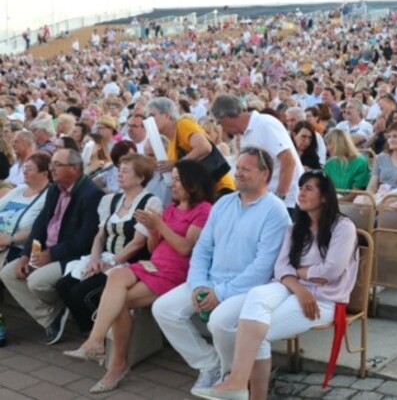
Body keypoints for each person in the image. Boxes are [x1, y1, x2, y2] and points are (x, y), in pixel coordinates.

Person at [193, 170, 358, 400]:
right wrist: (299, 287)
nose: (301, 192)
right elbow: (281, 268)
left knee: (254, 332)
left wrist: (297, 273)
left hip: (324, 298)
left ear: (324, 197)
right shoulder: (295, 228)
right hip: (292, 289)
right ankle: (236, 383)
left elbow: (331, 271)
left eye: (309, 188)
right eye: (300, 187)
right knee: (247, 302)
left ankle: (243, 388)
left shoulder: (342, 227)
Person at [62, 159, 214, 394]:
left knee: (118, 301)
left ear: (191, 182)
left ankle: (112, 360)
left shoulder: (203, 209)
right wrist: (152, 229)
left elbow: (185, 248)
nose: (172, 184)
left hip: (176, 272)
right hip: (154, 264)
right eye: (171, 179)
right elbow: (154, 249)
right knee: (116, 278)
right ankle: (97, 342)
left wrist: (159, 225)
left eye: (176, 179)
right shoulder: (172, 208)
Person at [152, 147, 291, 397]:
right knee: (164, 308)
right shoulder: (224, 203)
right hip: (210, 281)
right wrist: (198, 285)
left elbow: (263, 266)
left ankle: (232, 378)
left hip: (247, 289)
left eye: (245, 169)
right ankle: (211, 365)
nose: (237, 173)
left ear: (264, 174)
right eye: (237, 168)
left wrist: (221, 292)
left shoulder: (274, 210)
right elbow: (203, 249)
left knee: (220, 321)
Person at [0, 148, 104, 345]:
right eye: (52, 164)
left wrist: (51, 254)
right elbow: (40, 225)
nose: (52, 169)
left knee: (37, 281)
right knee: (8, 273)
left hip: (72, 255)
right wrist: (25, 254)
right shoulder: (55, 189)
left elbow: (84, 240)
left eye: (57, 164)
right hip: (47, 250)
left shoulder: (91, 194)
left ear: (74, 168)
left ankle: (60, 309)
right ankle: (51, 318)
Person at [54, 153, 162, 334]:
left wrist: (110, 263)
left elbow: (137, 243)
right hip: (107, 257)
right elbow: (99, 237)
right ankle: (89, 332)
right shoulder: (110, 200)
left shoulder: (150, 202)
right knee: (63, 285)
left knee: (81, 292)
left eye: (126, 171)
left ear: (141, 177)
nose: (119, 174)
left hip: (129, 263)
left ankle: (101, 335)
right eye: (119, 170)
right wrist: (95, 259)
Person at [211, 95, 302, 212]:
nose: (222, 128)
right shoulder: (245, 135)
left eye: (220, 122)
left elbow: (288, 160)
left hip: (286, 201)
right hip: (266, 200)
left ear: (226, 117)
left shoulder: (264, 124)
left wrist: (279, 198)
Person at [147, 97, 236, 196]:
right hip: (202, 191)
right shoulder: (171, 141)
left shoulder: (183, 124)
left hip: (218, 188)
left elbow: (205, 147)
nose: (149, 120)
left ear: (167, 115)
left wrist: (176, 164)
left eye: (152, 115)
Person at [0, 152, 51, 264]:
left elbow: (40, 228)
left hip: (18, 248)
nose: (25, 171)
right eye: (25, 167)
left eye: (30, 168)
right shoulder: (20, 189)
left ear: (45, 173)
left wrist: (11, 239)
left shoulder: (48, 196)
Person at [323, 129, 371, 201]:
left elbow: (355, 194)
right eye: (327, 144)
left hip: (351, 205)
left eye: (330, 143)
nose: (328, 148)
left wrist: (334, 203)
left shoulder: (360, 162)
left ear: (340, 143)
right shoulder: (329, 164)